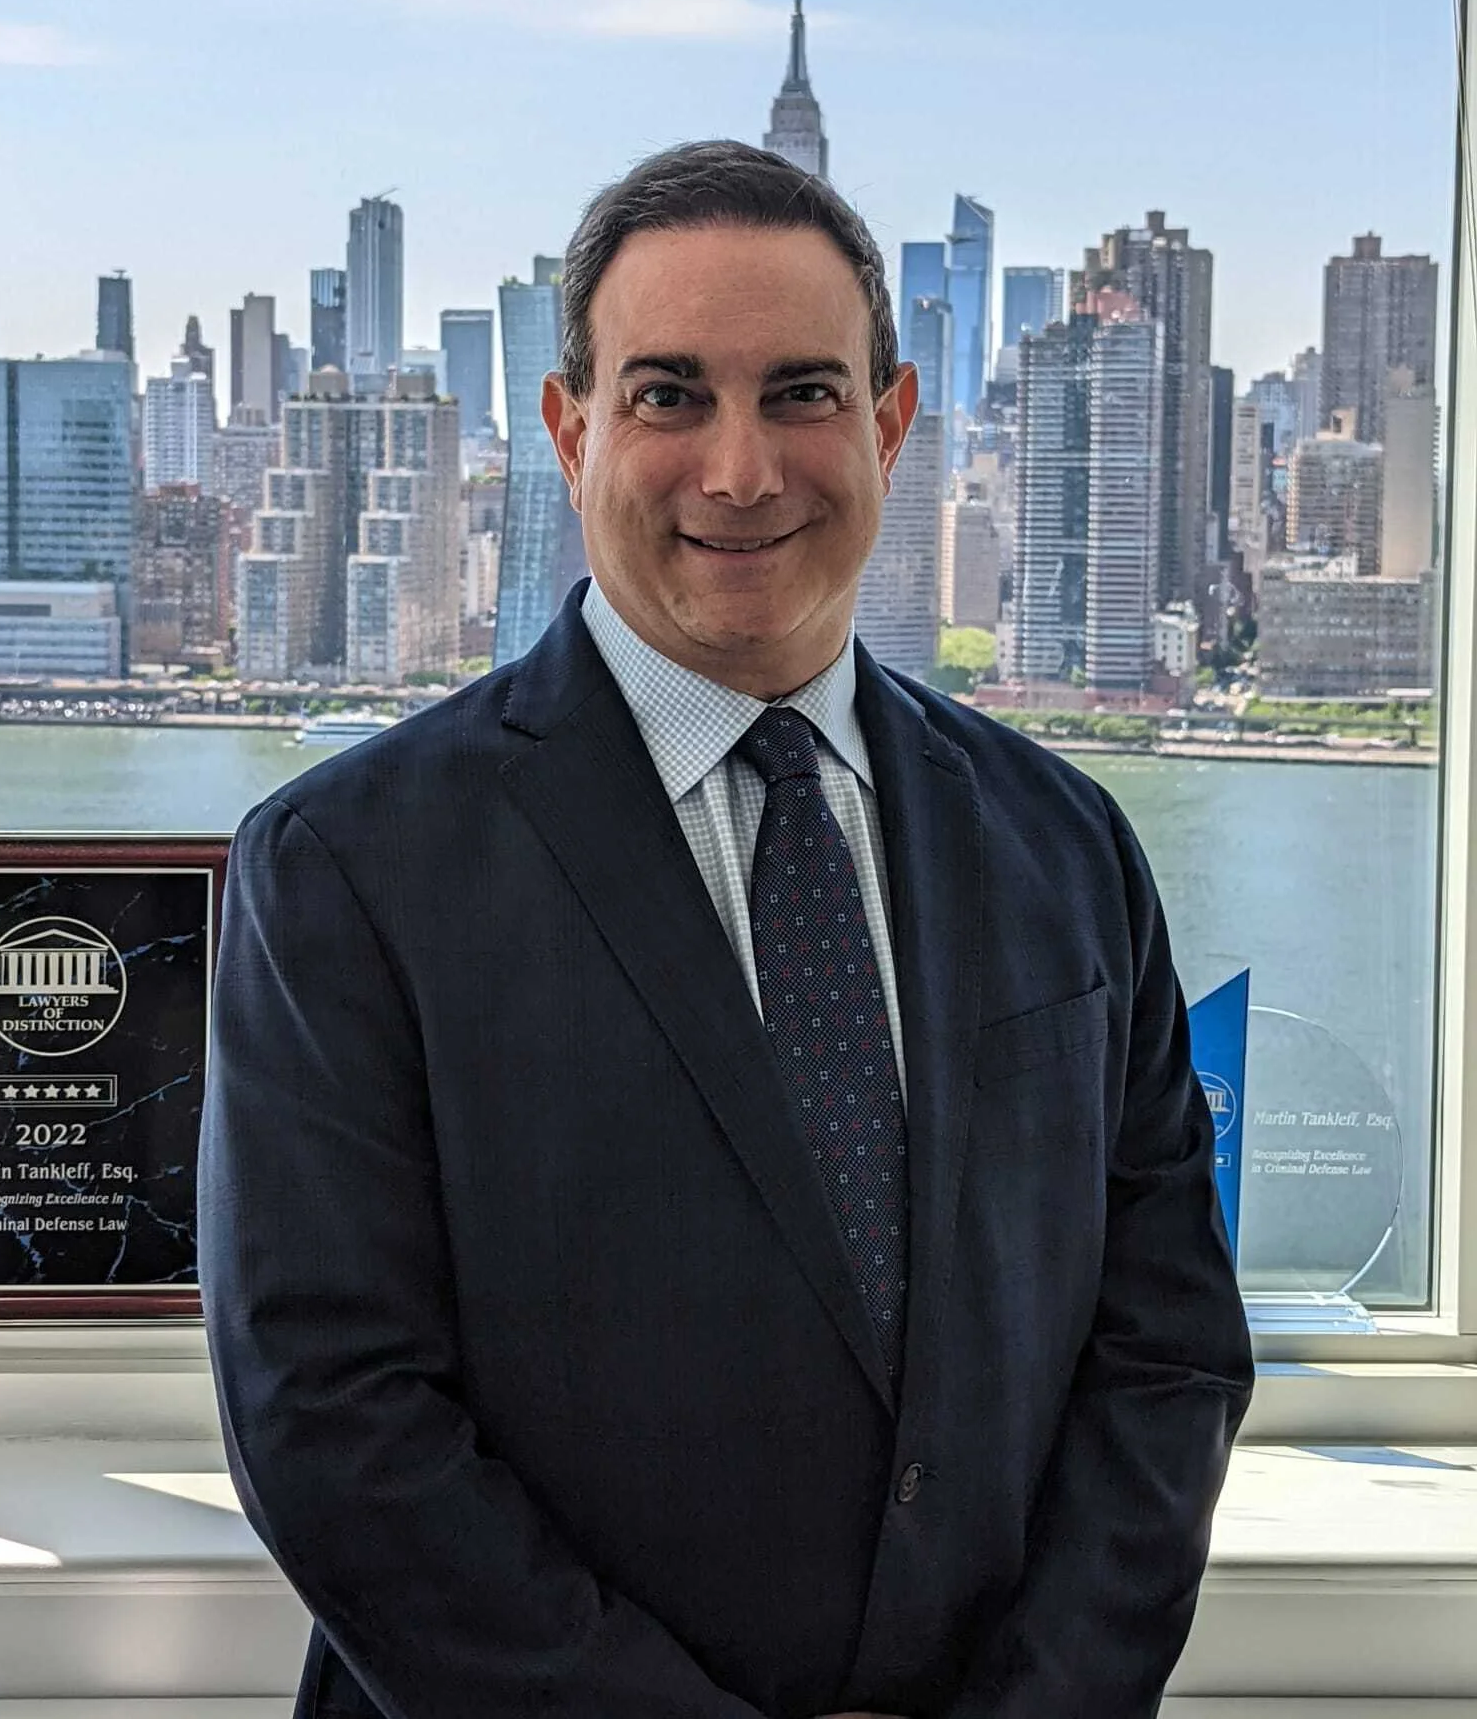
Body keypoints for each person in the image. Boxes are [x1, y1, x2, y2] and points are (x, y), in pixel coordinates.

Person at [197, 139, 1254, 1719]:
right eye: (670, 394)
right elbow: (333, 1419)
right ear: (570, 430)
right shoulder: (345, 872)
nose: (742, 470)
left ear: (892, 424)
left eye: (805, 394)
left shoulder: (1068, 847)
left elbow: (1164, 1355)